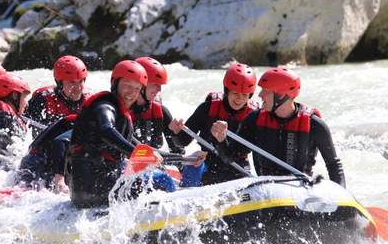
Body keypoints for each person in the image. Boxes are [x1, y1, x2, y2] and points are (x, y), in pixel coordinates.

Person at [211, 67, 346, 187]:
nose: (260, 95)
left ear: (281, 95)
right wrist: (221, 140)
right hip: (266, 190)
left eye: (266, 91)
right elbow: (230, 157)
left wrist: (341, 199)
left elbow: (334, 166)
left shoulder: (315, 125)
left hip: (301, 190)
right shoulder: (254, 119)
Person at [65, 60, 156, 208]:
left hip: (90, 187)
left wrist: (187, 159)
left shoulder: (119, 117)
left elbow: (145, 150)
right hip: (90, 188)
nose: (131, 93)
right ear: (115, 83)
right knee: (154, 181)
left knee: (154, 176)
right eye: (127, 85)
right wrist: (138, 154)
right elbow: (106, 130)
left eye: (137, 88)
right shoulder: (104, 106)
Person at [169, 63, 260, 185]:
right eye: (235, 93)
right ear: (227, 90)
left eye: (245, 95)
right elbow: (182, 142)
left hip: (237, 166)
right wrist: (176, 133)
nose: (239, 99)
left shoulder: (253, 115)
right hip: (207, 163)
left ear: (251, 95)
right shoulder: (207, 108)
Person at [130, 57, 182, 155]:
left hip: (151, 167)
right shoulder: (119, 110)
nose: (159, 89)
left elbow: (177, 152)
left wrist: (176, 135)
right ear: (140, 83)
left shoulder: (161, 111)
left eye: (160, 85)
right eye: (155, 84)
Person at [26, 55, 89, 136]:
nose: (78, 88)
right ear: (59, 83)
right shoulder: (42, 99)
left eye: (80, 81)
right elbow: (25, 129)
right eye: (72, 82)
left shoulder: (89, 102)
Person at [16, 114, 76, 193]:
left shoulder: (78, 119)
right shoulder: (84, 124)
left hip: (31, 162)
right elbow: (61, 142)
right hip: (38, 165)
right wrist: (60, 179)